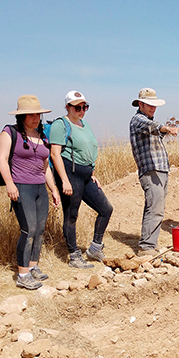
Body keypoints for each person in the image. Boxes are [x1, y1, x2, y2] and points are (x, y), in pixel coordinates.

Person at [0, 95, 60, 290]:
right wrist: (9, 183)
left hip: (40, 187)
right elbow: (2, 158)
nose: (35, 118)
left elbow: (46, 167)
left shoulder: (42, 135)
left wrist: (54, 190)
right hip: (21, 187)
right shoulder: (10, 133)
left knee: (39, 230)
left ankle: (33, 267)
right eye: (31, 115)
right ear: (22, 116)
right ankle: (22, 274)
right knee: (28, 229)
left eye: (38, 114)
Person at [50, 90, 114, 269]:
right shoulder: (60, 124)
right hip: (70, 174)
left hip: (86, 175)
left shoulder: (84, 124)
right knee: (71, 215)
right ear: (68, 107)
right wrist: (64, 180)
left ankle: (95, 247)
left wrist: (92, 173)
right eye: (77, 107)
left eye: (85, 107)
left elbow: (87, 150)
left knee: (106, 209)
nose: (82, 110)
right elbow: (55, 154)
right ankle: (74, 255)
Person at [129, 88, 178, 256]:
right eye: (149, 105)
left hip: (160, 169)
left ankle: (150, 243)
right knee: (154, 207)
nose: (153, 108)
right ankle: (146, 246)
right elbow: (152, 127)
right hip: (151, 170)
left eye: (154, 105)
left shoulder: (147, 120)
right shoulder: (138, 120)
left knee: (157, 207)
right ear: (141, 104)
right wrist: (166, 128)